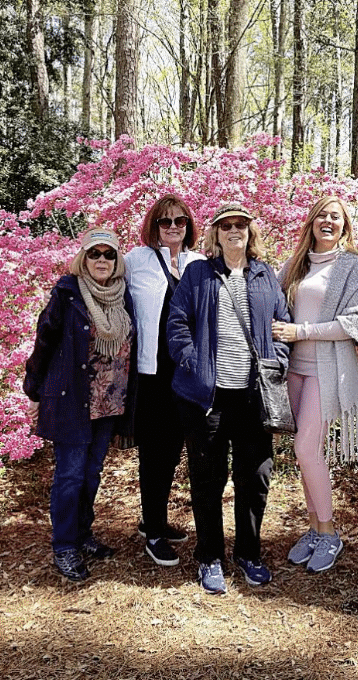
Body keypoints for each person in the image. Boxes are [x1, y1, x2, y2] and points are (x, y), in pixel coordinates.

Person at [167, 203, 290, 594]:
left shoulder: (265, 274)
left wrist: (278, 362)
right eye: (226, 225)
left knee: (255, 478)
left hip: (254, 396)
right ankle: (209, 556)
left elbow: (281, 325)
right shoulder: (198, 273)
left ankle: (248, 553)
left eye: (240, 225)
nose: (234, 230)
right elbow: (177, 322)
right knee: (208, 478)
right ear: (215, 234)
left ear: (250, 232)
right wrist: (193, 362)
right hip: (209, 398)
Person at [23, 228, 137, 582]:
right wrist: (34, 391)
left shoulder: (123, 296)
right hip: (72, 397)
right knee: (70, 476)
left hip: (110, 400)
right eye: (94, 253)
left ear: (117, 261)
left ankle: (83, 535)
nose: (101, 260)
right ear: (82, 258)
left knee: (91, 473)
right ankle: (64, 546)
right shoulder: (68, 292)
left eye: (109, 254)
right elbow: (45, 339)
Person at [273, 196, 358, 573]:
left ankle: (330, 533)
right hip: (292, 370)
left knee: (306, 447)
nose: (328, 222)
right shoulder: (295, 263)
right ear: (311, 222)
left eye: (336, 217)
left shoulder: (352, 267)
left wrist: (301, 331)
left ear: (345, 225)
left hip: (327, 371)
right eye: (322, 216)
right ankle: (315, 528)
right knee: (305, 454)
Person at [125, 195, 206, 567]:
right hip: (152, 373)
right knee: (154, 453)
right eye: (165, 221)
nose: (173, 227)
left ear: (189, 226)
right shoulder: (135, 260)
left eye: (180, 221)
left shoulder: (199, 263)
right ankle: (154, 532)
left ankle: (151, 518)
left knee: (173, 450)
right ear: (153, 226)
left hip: (186, 373)